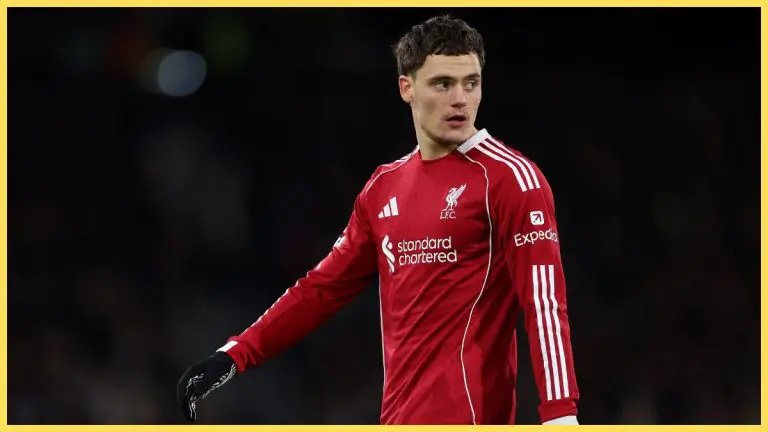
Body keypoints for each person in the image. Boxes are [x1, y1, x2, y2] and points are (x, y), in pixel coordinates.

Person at [177, 14, 580, 425]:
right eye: (443, 84)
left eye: (471, 83)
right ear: (407, 88)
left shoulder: (511, 179)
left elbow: (544, 303)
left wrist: (560, 415)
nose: (460, 98)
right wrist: (235, 354)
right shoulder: (384, 187)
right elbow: (321, 289)